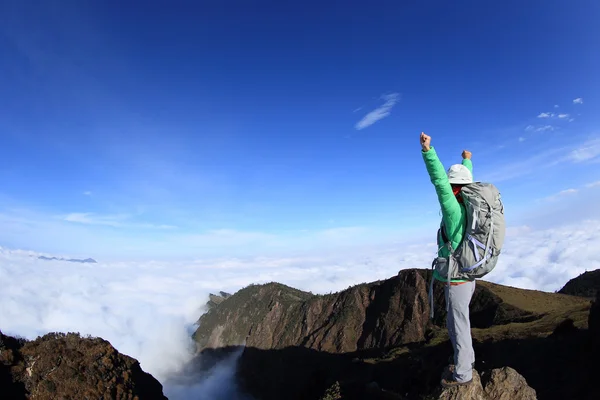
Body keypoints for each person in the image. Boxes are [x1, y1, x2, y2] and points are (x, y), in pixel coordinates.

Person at [420, 132, 476, 388]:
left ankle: (463, 374)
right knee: (458, 322)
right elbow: (459, 180)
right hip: (467, 275)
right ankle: (468, 362)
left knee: (458, 326)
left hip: (457, 280)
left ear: (454, 187)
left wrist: (428, 151)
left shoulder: (453, 208)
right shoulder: (468, 206)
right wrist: (467, 161)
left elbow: (439, 182)